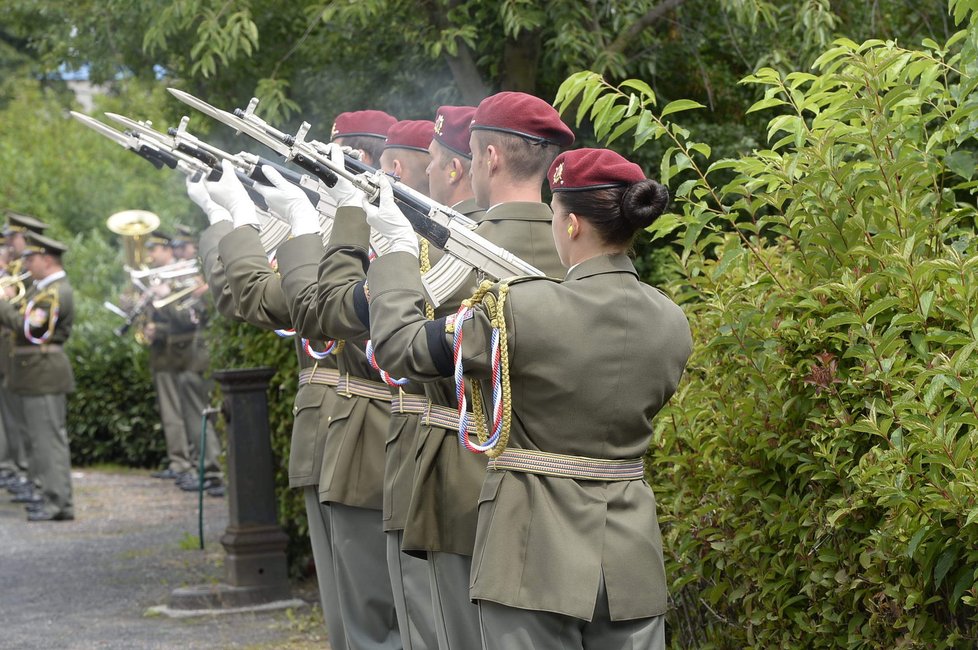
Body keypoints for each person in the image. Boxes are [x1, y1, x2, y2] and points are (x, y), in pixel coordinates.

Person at [366, 147, 692, 649]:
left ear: (573, 225)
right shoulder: (671, 321)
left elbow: (399, 349)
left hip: (531, 555)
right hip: (629, 558)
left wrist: (392, 253)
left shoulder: (517, 309)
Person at [402, 92, 571, 650]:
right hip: (573, 490)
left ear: (491, 158)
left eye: (473, 157)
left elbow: (408, 357)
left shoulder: (462, 252)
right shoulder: (581, 246)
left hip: (473, 469)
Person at [264, 117, 438, 650]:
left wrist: (318, 223)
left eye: (337, 159)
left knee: (387, 618)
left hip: (386, 430)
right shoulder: (372, 239)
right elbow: (271, 302)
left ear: (389, 166)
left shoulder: (398, 245)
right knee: (357, 616)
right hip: (358, 429)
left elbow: (316, 311)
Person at [190, 165, 351, 650]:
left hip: (363, 432)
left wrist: (236, 216)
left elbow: (265, 299)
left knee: (369, 614)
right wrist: (224, 217)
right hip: (350, 429)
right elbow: (242, 296)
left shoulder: (365, 247)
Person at [0, 231, 77, 522]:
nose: (26, 263)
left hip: (43, 372)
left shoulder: (54, 292)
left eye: (30, 258)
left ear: (46, 259)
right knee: (39, 440)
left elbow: (31, 330)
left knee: (48, 442)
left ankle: (58, 503)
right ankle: (49, 496)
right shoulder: (41, 289)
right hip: (34, 373)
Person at [142, 231, 224, 496]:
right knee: (192, 416)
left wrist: (166, 297)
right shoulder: (192, 278)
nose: (177, 252)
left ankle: (211, 472)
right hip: (188, 355)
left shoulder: (198, 278)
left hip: (195, 355)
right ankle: (207, 471)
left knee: (200, 415)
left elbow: (189, 318)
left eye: (182, 246)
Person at [1, 212, 51, 505]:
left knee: (29, 424)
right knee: (15, 420)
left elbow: (28, 322)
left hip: (28, 360)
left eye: (12, 239)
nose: (9, 244)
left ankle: (30, 476)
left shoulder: (35, 278)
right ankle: (25, 474)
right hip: (12, 356)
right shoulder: (20, 271)